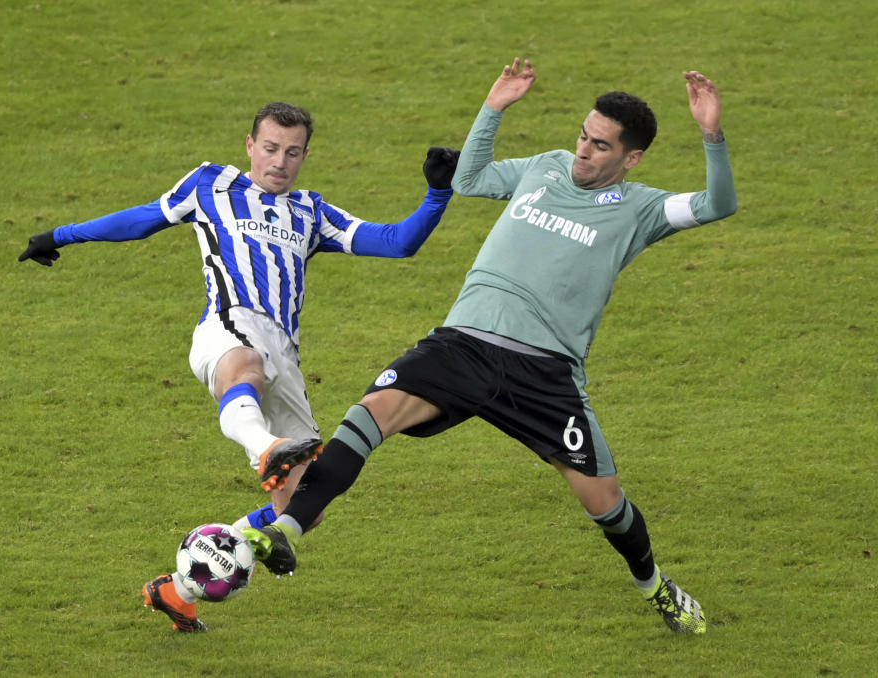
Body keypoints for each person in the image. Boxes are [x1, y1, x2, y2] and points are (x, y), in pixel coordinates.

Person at [264, 59, 737, 635]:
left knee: (605, 504)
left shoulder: (642, 210)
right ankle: (284, 534)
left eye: (601, 146)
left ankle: (655, 586)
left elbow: (718, 205)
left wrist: (712, 135)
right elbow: (470, 179)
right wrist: (494, 108)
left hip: (543, 373)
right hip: (462, 343)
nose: (584, 151)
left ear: (630, 159)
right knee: (369, 416)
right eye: (583, 136)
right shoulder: (544, 168)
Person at [18, 101, 460, 632]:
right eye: (270, 148)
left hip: (287, 356)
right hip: (227, 326)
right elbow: (143, 220)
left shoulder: (311, 212)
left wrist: (438, 192)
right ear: (250, 145)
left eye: (292, 153)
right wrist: (61, 235)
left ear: (305, 156)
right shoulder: (211, 184)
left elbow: (398, 243)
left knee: (305, 505)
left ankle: (178, 589)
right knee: (245, 366)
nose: (280, 161)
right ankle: (264, 448)